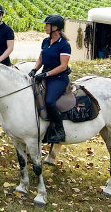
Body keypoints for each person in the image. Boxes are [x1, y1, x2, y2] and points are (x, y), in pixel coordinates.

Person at [29, 14, 71, 144]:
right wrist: (34, 69)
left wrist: (46, 74)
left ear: (56, 27)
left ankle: (59, 130)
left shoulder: (64, 45)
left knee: (49, 101)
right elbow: (41, 58)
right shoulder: (45, 41)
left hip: (58, 78)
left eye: (47, 25)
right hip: (45, 75)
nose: (45, 27)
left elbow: (63, 66)